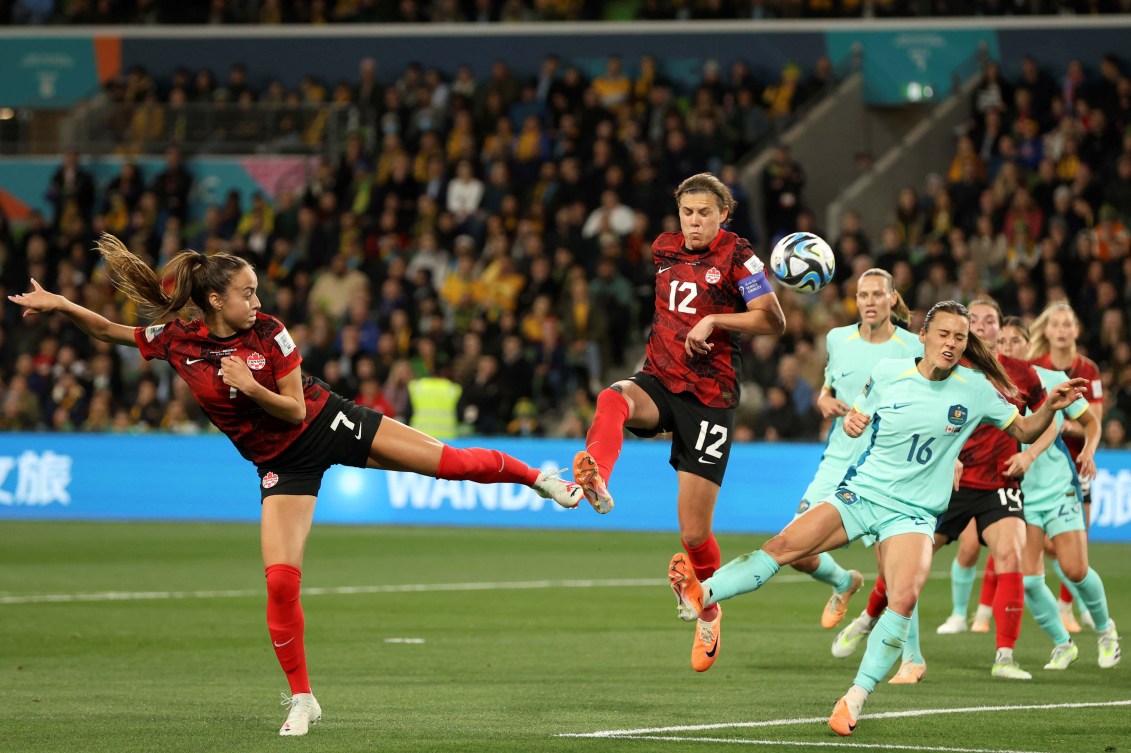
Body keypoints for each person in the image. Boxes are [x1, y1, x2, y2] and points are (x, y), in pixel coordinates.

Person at [8, 234, 587, 737]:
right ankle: (304, 698)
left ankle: (541, 480)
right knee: (281, 582)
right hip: (283, 468)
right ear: (215, 300)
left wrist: (247, 386)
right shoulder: (178, 340)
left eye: (257, 291)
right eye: (247, 292)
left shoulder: (270, 332)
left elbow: (289, 409)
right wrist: (60, 304)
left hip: (328, 425)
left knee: (449, 461)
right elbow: (114, 331)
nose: (257, 301)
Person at [666, 300, 1085, 737]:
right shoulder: (889, 372)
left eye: (959, 338)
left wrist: (1051, 407)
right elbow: (861, 415)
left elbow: (1023, 431)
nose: (951, 343)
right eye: (943, 334)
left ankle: (854, 699)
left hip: (915, 514)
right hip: (863, 493)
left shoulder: (976, 388)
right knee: (782, 547)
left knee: (903, 598)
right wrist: (853, 424)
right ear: (922, 337)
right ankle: (700, 595)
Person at [572, 172, 785, 673]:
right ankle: (597, 474)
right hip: (661, 380)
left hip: (710, 400)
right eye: (687, 212)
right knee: (612, 397)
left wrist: (717, 320)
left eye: (704, 213)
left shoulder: (741, 257)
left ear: (722, 215)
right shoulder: (663, 249)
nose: (693, 222)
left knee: (693, 534)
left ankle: (708, 608)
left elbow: (772, 320)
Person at [838, 298, 1049, 682]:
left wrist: (1030, 455)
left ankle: (1004, 655)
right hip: (943, 485)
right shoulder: (942, 362)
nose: (981, 327)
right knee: (899, 569)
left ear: (998, 329)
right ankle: (871, 617)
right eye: (975, 320)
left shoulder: (1018, 374)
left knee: (1010, 554)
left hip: (999, 481)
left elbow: (1043, 419)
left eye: (989, 321)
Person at [792, 269, 920, 633]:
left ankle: (911, 657)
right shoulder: (837, 338)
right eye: (864, 295)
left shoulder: (912, 347)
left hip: (887, 465)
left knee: (893, 572)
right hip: (839, 457)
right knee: (799, 549)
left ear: (892, 299)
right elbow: (830, 386)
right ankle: (844, 582)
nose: (870, 302)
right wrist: (823, 400)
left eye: (878, 295)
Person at [998, 317, 1120, 669]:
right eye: (1001, 342)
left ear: (1028, 345)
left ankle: (1105, 630)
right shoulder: (989, 385)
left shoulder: (1051, 380)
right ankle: (1062, 643)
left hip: (1057, 490)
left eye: (1014, 341)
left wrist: (1089, 449)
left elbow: (1092, 422)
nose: (1007, 348)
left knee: (1075, 569)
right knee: (1029, 579)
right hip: (1020, 495)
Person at [1028, 300, 1104, 633]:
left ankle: (1068, 607)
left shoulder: (1088, 370)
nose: (1061, 330)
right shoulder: (1034, 367)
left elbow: (1095, 420)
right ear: (1046, 330)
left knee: (1076, 546)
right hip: (1042, 468)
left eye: (1067, 324)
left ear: (1076, 330)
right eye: (1055, 324)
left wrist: (1066, 425)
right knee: (1045, 547)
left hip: (1078, 464)